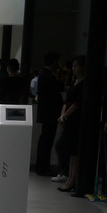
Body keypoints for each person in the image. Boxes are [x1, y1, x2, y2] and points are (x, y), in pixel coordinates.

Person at [55, 54, 86, 193]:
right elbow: (67, 101)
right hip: (69, 118)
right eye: (73, 66)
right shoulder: (74, 81)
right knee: (71, 151)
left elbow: (77, 103)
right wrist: (63, 116)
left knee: (74, 152)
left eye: (76, 66)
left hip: (76, 120)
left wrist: (64, 115)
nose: (73, 68)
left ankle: (73, 179)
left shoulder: (84, 84)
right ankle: (70, 178)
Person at [34, 51, 62, 176]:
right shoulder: (49, 76)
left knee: (45, 139)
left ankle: (42, 166)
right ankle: (43, 166)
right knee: (47, 140)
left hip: (46, 113)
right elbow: (54, 96)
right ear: (54, 61)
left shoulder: (43, 74)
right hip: (50, 113)